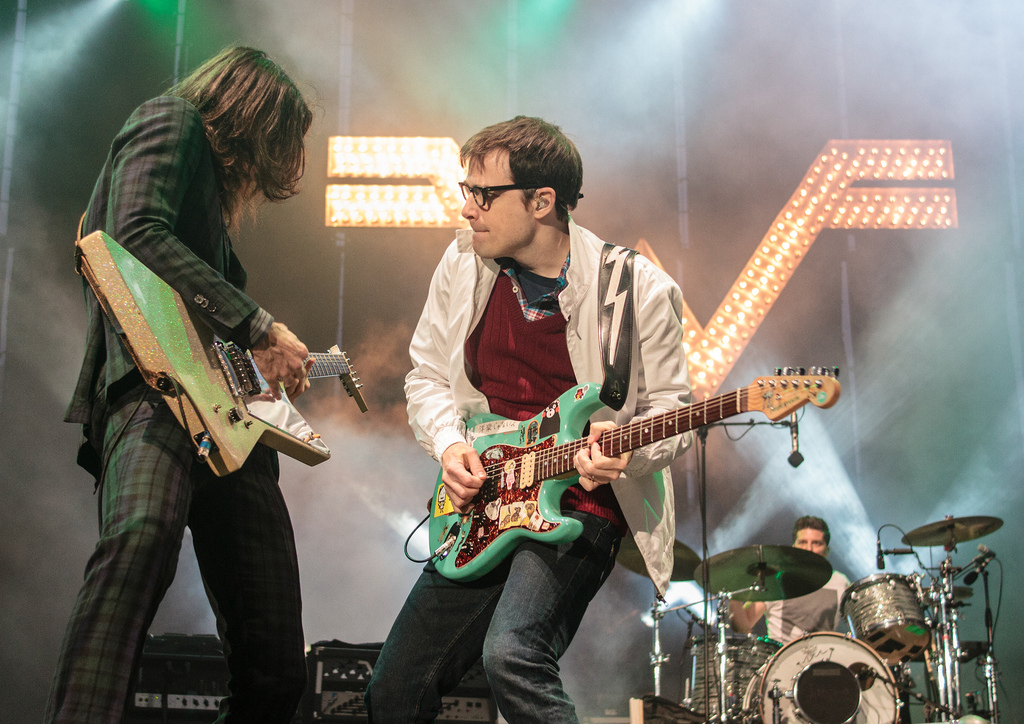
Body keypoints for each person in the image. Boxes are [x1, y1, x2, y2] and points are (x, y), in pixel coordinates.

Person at [364, 116, 692, 723]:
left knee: (513, 655)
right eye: (466, 191)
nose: (467, 209)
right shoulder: (462, 261)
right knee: (393, 689)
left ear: (542, 202)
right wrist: (449, 446)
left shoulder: (637, 286)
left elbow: (675, 412)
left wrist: (627, 451)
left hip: (579, 500)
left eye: (484, 194)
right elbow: (426, 376)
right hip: (484, 499)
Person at [47, 46, 314, 724]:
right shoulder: (173, 120)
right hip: (152, 396)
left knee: (275, 655)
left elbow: (209, 332)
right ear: (254, 114)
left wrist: (261, 366)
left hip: (228, 426)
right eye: (277, 140)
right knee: (140, 541)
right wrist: (260, 325)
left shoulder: (217, 227)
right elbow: (132, 230)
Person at [729, 515, 850, 644]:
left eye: (816, 543)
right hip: (783, 654)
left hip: (825, 655)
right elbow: (743, 625)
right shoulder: (775, 580)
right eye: (803, 542)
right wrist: (733, 594)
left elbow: (859, 624)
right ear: (794, 547)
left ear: (827, 550)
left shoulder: (840, 582)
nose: (809, 549)